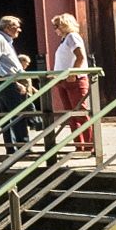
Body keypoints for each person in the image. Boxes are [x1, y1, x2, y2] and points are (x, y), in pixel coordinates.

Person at [0, 13, 32, 154]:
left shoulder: (5, 41)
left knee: (9, 114)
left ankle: (12, 147)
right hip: (5, 81)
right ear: (7, 27)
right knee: (18, 113)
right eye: (17, 27)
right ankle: (23, 147)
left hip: (7, 80)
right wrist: (6, 76)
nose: (19, 30)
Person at [47, 12, 96, 155]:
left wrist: (73, 73)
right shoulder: (64, 40)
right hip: (63, 80)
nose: (55, 29)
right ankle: (79, 144)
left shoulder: (72, 37)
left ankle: (89, 144)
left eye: (57, 26)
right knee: (71, 114)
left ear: (64, 25)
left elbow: (80, 56)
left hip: (74, 79)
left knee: (80, 112)